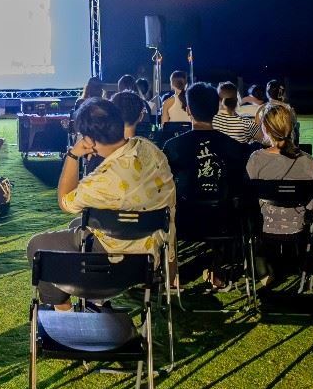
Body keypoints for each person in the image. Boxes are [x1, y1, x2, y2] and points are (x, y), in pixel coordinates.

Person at [26, 98, 175, 308]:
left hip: (114, 266)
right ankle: (95, 303)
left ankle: (62, 310)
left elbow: (65, 201)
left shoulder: (103, 180)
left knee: (37, 246)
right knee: (77, 225)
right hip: (149, 260)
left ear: (89, 138)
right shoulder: (151, 150)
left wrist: (72, 155)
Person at [163, 82, 248, 289]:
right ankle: (217, 270)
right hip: (226, 222)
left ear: (189, 110)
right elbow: (241, 188)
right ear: (216, 108)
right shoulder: (235, 147)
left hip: (183, 221)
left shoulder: (173, 147)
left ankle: (173, 274)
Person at [245, 103, 313, 236]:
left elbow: (248, 194)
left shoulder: (256, 159)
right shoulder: (308, 161)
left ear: (265, 128)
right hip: (298, 225)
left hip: (264, 225)